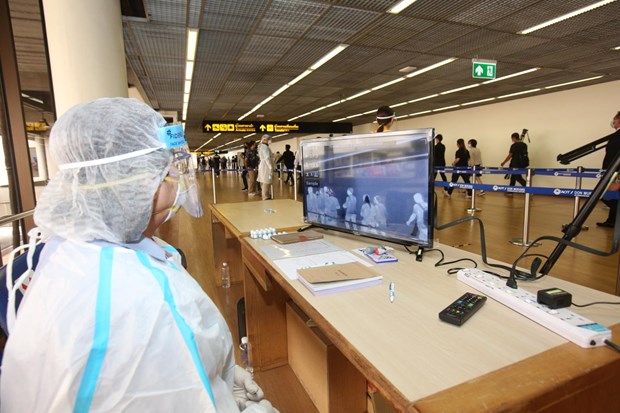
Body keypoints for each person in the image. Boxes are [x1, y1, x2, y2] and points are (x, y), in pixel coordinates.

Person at [0, 98, 278, 413]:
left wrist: (221, 377)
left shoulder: (73, 255)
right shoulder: (136, 298)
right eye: (169, 167)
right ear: (139, 181)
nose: (177, 178)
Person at [597, 111, 620, 227]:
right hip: (610, 171)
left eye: (614, 119)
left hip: (616, 173)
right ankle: (612, 220)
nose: (613, 122)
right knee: (611, 195)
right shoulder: (616, 135)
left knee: (603, 194)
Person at [257, 134, 274, 200]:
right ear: (264, 140)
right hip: (266, 167)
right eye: (268, 139)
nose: (270, 140)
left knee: (263, 181)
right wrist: (270, 167)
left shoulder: (261, 146)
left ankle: (265, 195)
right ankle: (266, 196)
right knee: (267, 181)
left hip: (263, 166)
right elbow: (267, 158)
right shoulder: (265, 147)